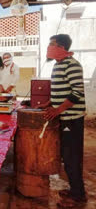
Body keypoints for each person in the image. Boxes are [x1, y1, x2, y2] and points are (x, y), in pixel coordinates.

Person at [37, 34, 87, 208]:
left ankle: (79, 195)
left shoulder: (72, 65)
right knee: (66, 156)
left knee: (72, 157)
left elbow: (77, 93)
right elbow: (62, 90)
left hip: (71, 119)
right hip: (64, 117)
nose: (49, 47)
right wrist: (50, 103)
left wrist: (57, 110)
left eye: (52, 44)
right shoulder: (58, 65)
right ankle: (75, 190)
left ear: (62, 48)